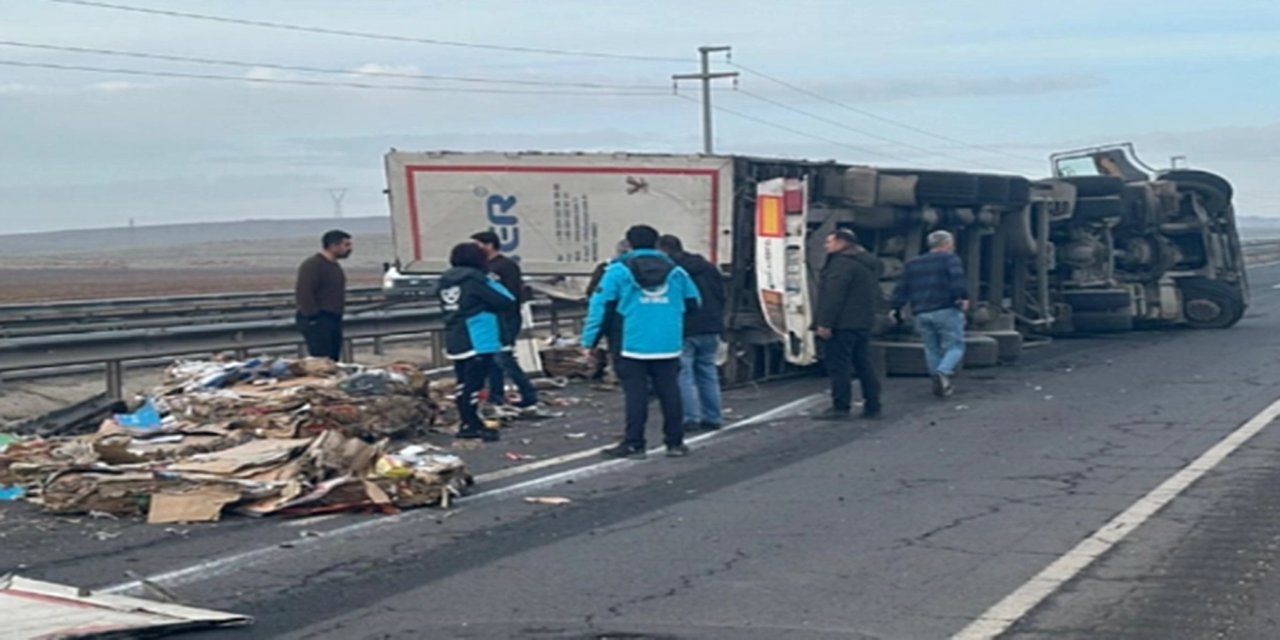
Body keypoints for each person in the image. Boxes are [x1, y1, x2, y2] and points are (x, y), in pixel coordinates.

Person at [581, 225, 701, 459]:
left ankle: (635, 443)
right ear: (656, 243)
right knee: (670, 391)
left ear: (629, 243)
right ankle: (675, 443)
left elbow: (600, 307)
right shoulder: (676, 272)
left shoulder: (617, 271)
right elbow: (694, 303)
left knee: (636, 395)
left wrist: (590, 341)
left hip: (631, 341)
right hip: (668, 342)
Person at [438, 242, 517, 442]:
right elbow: (506, 299)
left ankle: (469, 421)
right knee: (474, 384)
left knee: (463, 382)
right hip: (478, 337)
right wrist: (490, 279)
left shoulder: (445, 280)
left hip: (455, 334)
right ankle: (470, 424)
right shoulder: (477, 279)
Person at [812, 229, 884, 420]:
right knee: (864, 364)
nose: (826, 246)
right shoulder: (868, 263)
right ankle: (873, 404)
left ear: (842, 243)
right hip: (862, 323)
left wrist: (825, 323)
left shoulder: (842, 265)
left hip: (842, 324)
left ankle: (841, 406)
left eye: (830, 242)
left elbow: (834, 297)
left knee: (839, 366)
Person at [657, 234, 726, 432]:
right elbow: (721, 294)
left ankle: (690, 417)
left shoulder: (672, 272)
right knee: (707, 371)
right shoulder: (707, 267)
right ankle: (713, 416)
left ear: (664, 250)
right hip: (711, 325)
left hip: (686, 327)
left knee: (684, 374)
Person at [890, 229, 970, 398]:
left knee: (931, 348)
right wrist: (962, 297)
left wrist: (895, 307)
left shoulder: (913, 264)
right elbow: (957, 279)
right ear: (947, 244)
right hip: (945, 308)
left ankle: (939, 381)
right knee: (955, 345)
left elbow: (901, 288)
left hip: (921, 312)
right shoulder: (949, 259)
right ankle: (943, 372)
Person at [470, 231, 539, 412]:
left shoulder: (506, 266)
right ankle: (496, 395)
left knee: (503, 358)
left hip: (506, 318)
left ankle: (528, 392)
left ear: (489, 245)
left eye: (478, 245)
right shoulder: (482, 267)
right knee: (493, 359)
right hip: (490, 319)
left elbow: (511, 294)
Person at [294, 230, 352, 361]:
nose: (349, 249)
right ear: (333, 246)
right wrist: (312, 317)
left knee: (333, 359)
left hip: (333, 318)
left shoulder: (334, 266)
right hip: (319, 319)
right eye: (346, 245)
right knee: (321, 359)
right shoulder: (313, 265)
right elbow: (304, 292)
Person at [585, 239, 630, 384]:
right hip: (641, 326)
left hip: (614, 322)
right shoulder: (665, 268)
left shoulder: (607, 269)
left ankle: (611, 372)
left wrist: (589, 341)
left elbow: (595, 297)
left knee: (617, 354)